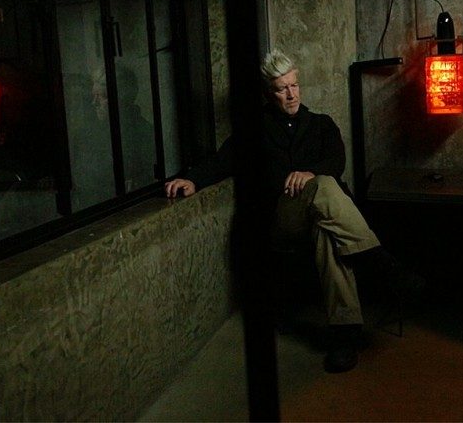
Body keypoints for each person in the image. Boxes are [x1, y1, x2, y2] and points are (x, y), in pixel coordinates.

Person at [164, 49, 405, 373]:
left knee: (327, 231)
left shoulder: (321, 125)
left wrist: (310, 174)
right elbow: (222, 161)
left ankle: (345, 336)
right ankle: (381, 264)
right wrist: (193, 179)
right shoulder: (254, 131)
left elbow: (336, 162)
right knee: (323, 185)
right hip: (283, 219)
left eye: (294, 85)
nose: (291, 94)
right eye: (282, 88)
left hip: (324, 218)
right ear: (269, 93)